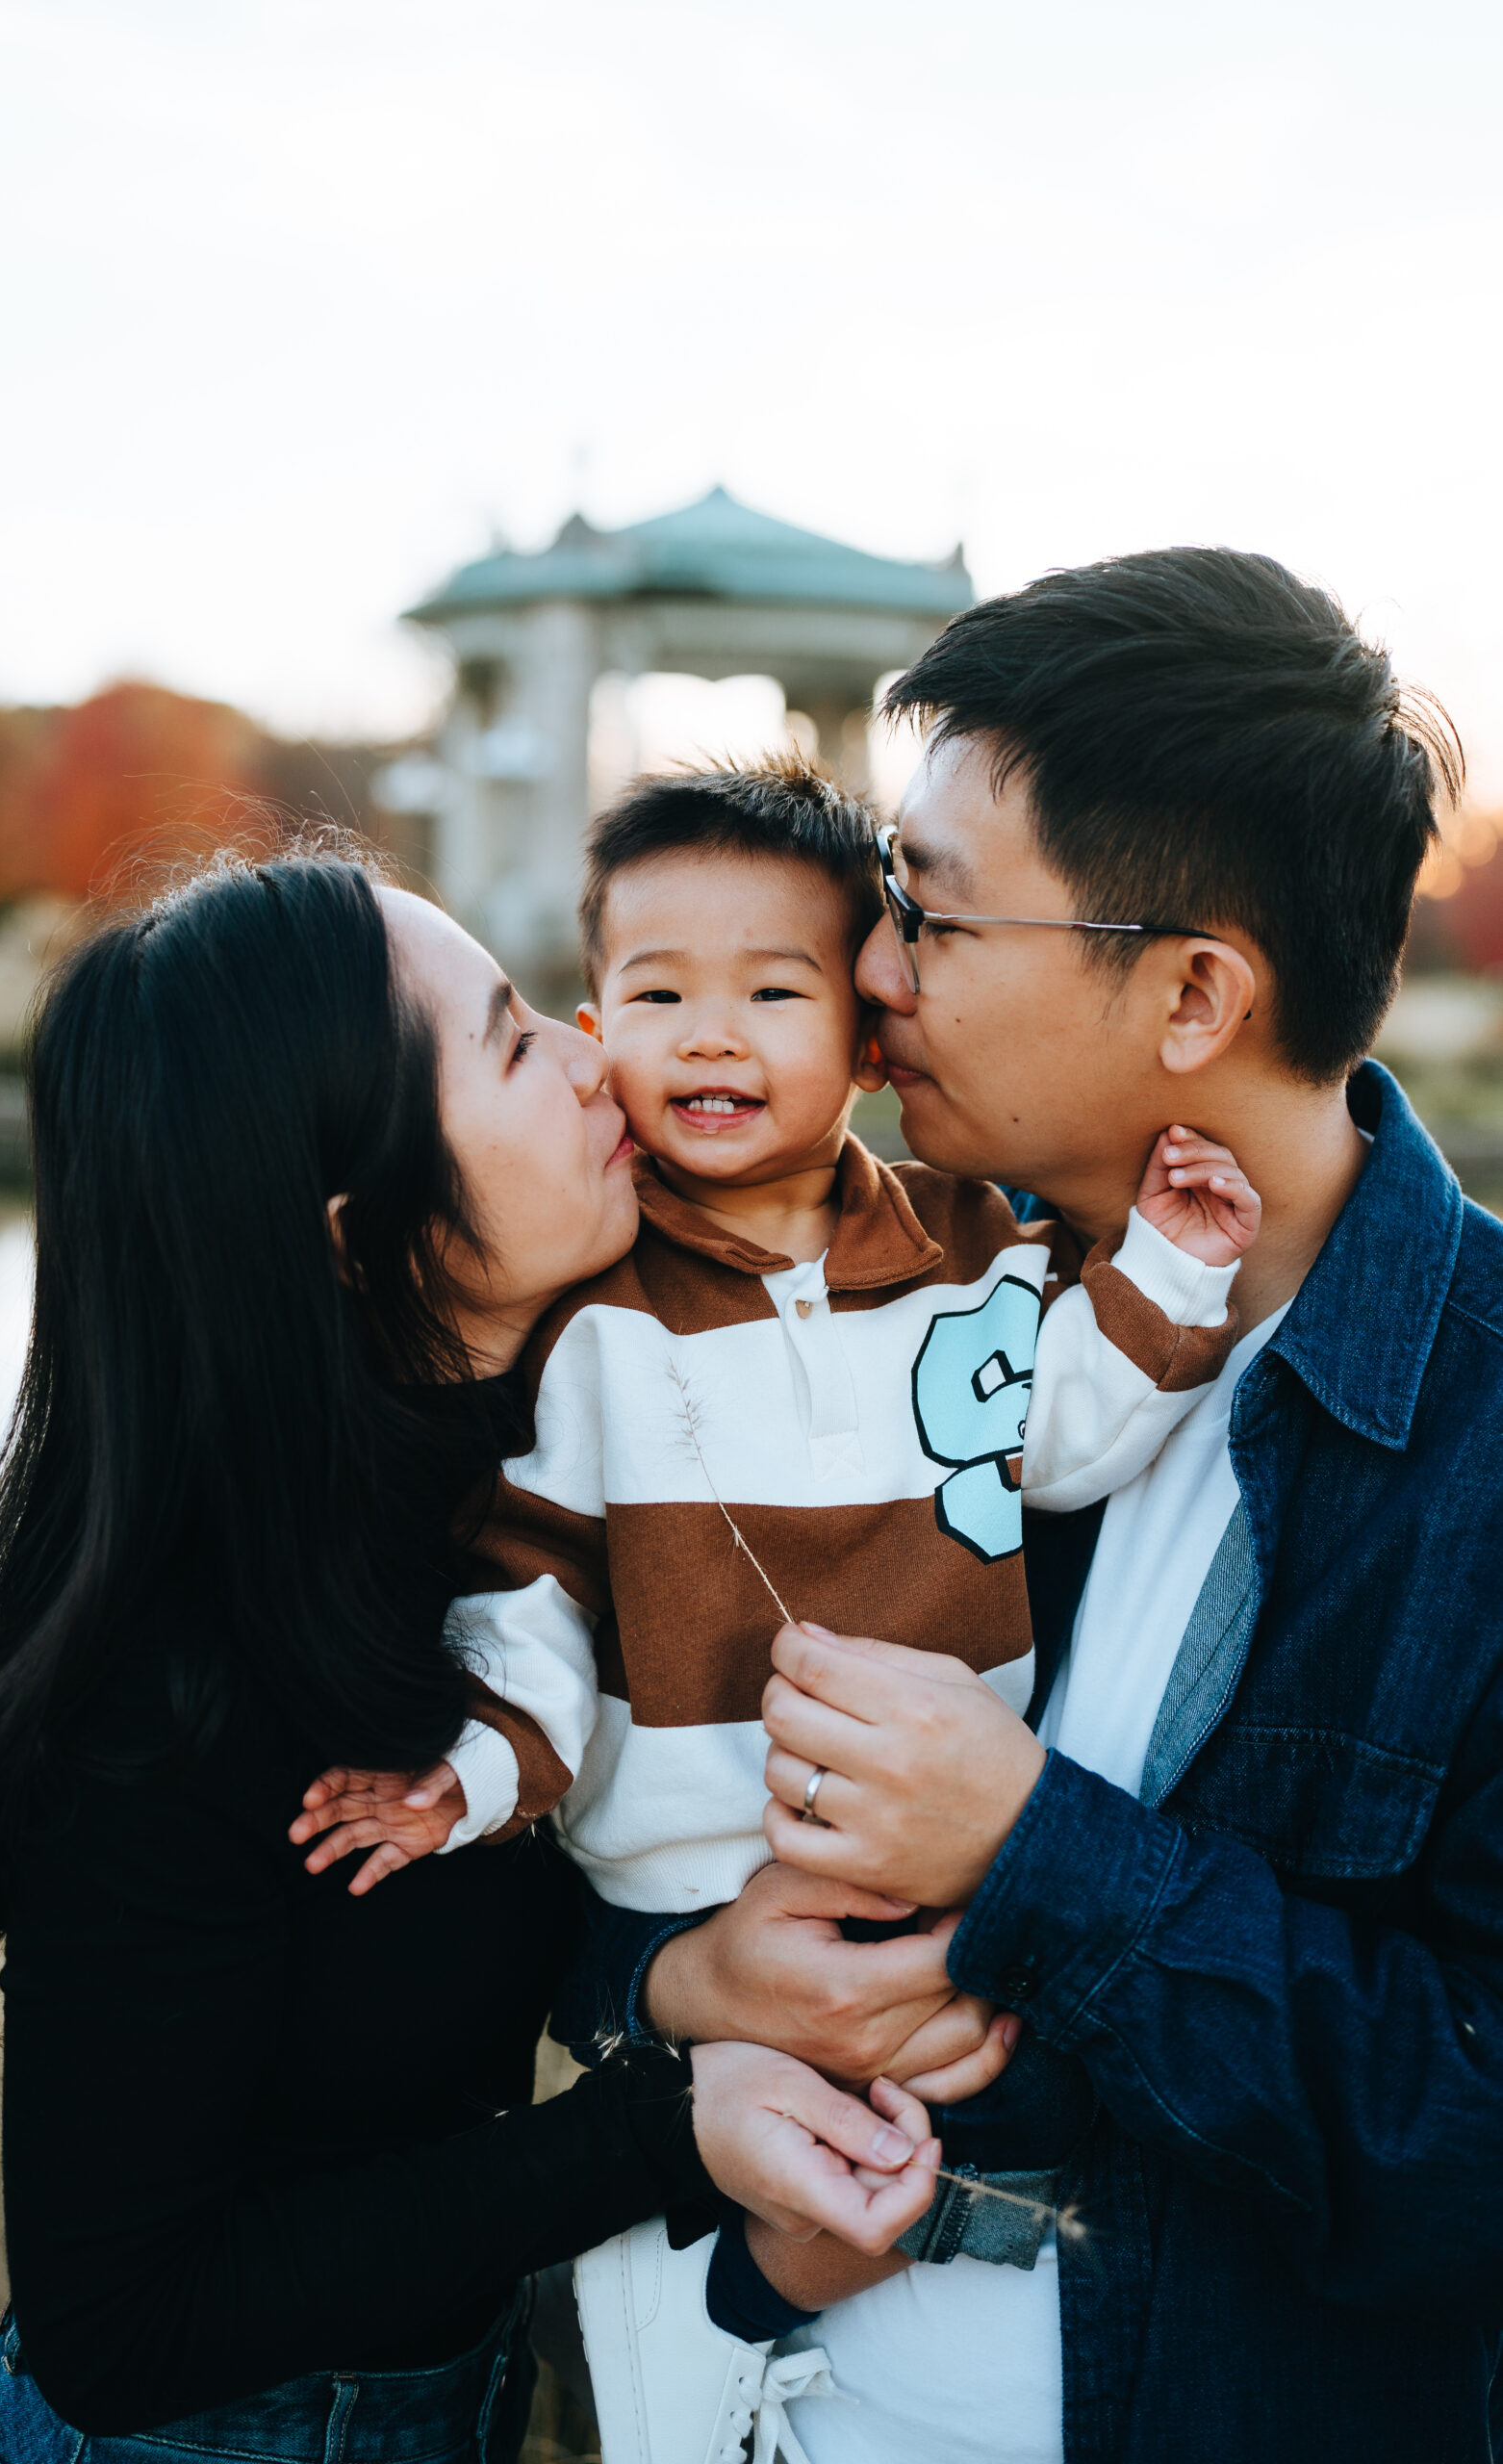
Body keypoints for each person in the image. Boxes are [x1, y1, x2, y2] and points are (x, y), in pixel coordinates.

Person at [558, 547, 1503, 2464]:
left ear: (1189, 993)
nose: (867, 969)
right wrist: (677, 1977)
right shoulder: (883, 1309)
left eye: (930, 912)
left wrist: (1038, 1855)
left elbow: (1463, 2140)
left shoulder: (1481, 1437)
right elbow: (590, 1822)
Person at [0, 847, 946, 2464]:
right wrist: (659, 2134)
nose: (599, 1054)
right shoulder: (181, 1678)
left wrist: (683, 1977)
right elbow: (117, 2324)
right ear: (362, 1237)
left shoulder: (538, 1489)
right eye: (514, 1040)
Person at [292, 758, 1261, 2458]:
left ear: (868, 1041)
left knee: (948, 2122)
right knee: (701, 2278)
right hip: (689, 1887)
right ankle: (709, 2361)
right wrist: (476, 1769)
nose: (711, 1037)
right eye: (658, 995)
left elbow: (1066, 1437)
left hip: (931, 1859)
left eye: (772, 992)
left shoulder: (973, 1260)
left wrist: (1169, 1274)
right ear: (600, 1025)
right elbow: (530, 1586)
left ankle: (826, 2315)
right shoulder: (593, 1308)